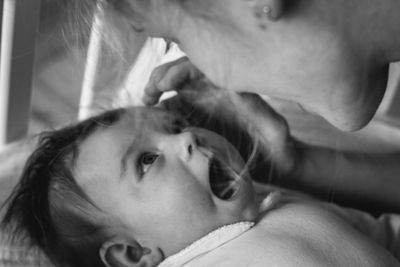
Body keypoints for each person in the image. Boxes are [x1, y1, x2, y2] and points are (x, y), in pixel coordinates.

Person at [1, 90, 400, 267]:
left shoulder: (276, 200)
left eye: (174, 125)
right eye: (146, 160)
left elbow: (384, 236)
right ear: (134, 254)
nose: (187, 137)